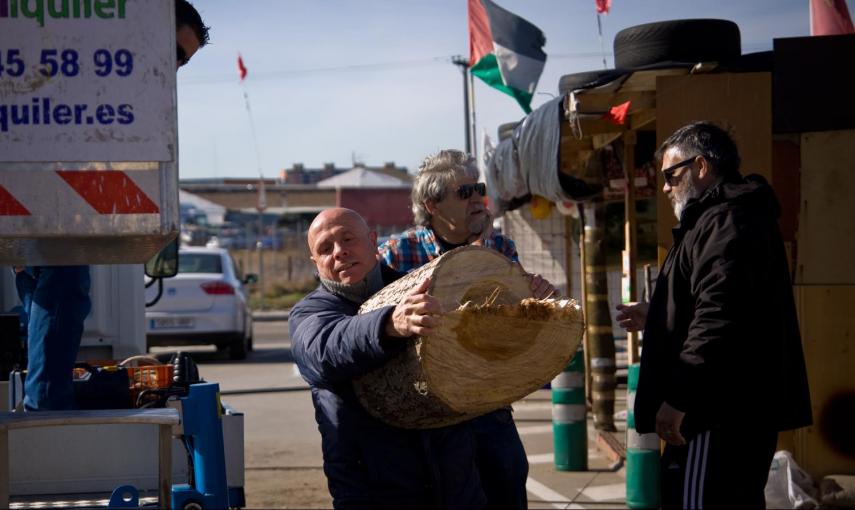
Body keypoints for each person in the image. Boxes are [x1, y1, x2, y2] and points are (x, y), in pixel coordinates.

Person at [14, 0, 210, 411]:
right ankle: (46, 408)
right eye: (175, 53)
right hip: (39, 192)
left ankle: (41, 398)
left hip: (35, 196)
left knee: (42, 287)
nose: (174, 68)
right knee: (65, 286)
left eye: (183, 62)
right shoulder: (86, 63)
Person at [616, 121, 811, 509]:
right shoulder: (725, 218)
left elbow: (720, 318)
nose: (666, 187)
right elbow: (722, 303)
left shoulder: (724, 220)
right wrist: (657, 315)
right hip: (728, 413)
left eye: (672, 175)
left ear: (701, 167)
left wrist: (679, 398)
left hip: (717, 417)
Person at [379, 149, 555, 510]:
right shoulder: (399, 252)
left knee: (507, 476)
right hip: (429, 409)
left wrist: (539, 300)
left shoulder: (500, 246)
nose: (477, 198)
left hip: (487, 401)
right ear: (433, 205)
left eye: (478, 188)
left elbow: (515, 321)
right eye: (464, 193)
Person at [289, 208, 485, 510]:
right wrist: (388, 324)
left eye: (347, 239)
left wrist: (528, 298)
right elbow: (323, 351)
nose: (339, 252)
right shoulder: (309, 313)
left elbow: (479, 334)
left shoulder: (419, 289)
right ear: (316, 263)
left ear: (373, 241)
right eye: (325, 249)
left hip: (457, 483)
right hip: (372, 491)